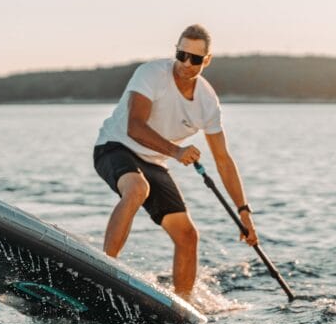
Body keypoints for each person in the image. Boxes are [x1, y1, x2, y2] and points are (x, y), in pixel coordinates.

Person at [93, 24, 257, 301]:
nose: (185, 64)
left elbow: (223, 161)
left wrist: (243, 212)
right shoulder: (151, 74)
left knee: (188, 235)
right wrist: (176, 151)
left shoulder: (207, 102)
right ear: (176, 51)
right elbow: (135, 126)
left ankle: (182, 305)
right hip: (115, 147)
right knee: (137, 189)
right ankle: (101, 271)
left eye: (195, 59)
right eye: (181, 55)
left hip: (154, 161)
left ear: (207, 60)